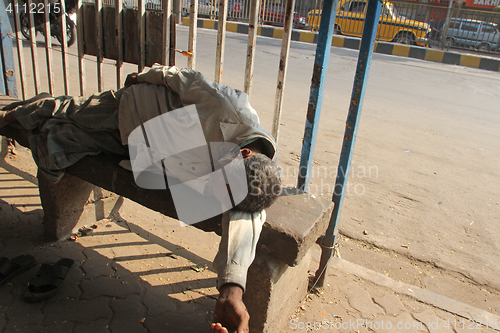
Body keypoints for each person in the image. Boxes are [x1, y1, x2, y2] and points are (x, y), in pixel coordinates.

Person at [0, 65, 281, 333]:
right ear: (243, 153)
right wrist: (144, 76)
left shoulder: (252, 184)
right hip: (136, 107)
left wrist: (231, 291)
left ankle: (35, 119)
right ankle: (11, 114)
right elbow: (183, 77)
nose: (215, 190)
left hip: (143, 149)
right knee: (69, 111)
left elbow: (246, 221)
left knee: (62, 136)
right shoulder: (229, 110)